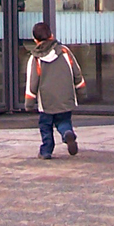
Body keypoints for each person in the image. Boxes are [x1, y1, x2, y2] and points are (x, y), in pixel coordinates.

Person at [24, 21, 84, 159]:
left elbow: (32, 82)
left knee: (45, 126)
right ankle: (67, 132)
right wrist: (81, 89)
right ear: (51, 35)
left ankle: (46, 151)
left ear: (35, 40)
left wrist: (29, 103)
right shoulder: (64, 51)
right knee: (64, 120)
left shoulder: (35, 59)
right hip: (65, 97)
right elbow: (76, 71)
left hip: (47, 101)